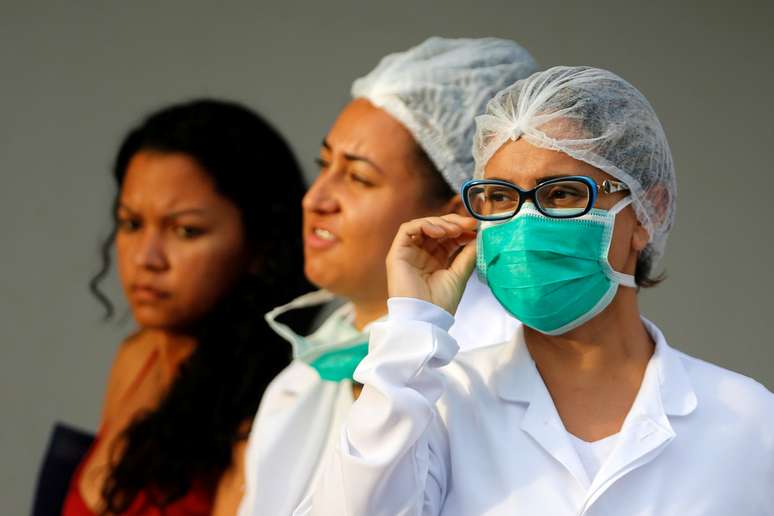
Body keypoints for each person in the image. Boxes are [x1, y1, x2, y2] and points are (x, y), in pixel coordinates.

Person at [302, 66, 774, 515]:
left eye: (561, 194)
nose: (525, 222)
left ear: (647, 210)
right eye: (502, 197)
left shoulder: (747, 419)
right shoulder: (438, 400)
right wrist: (410, 325)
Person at [237, 37, 537, 516]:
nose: (315, 199)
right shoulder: (301, 381)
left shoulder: (508, 370)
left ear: (455, 213)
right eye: (324, 165)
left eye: (358, 177)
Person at [62, 99, 311, 515]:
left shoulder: (278, 398)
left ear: (261, 246)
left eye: (185, 230)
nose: (147, 258)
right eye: (131, 223)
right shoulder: (136, 358)